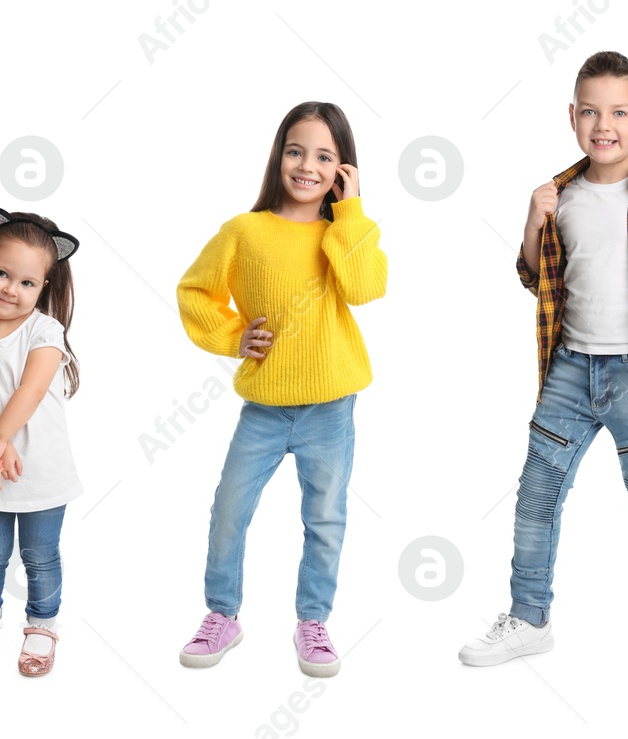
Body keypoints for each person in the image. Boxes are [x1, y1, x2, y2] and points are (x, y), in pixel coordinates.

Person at [458, 51, 628, 679]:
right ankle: (529, 618)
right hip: (571, 371)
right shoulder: (560, 194)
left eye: (619, 112)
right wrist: (532, 218)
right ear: (572, 117)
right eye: (591, 112)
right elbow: (534, 275)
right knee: (535, 496)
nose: (604, 125)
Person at [176, 101, 387, 678]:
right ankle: (223, 614)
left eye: (325, 156)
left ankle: (313, 621)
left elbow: (367, 288)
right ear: (278, 155)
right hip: (264, 410)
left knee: (325, 519)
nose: (307, 165)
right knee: (228, 509)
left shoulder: (344, 234)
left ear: (343, 169)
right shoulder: (244, 231)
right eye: (296, 150)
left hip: (330, 409)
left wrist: (352, 212)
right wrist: (232, 336)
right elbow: (195, 291)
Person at [0, 206, 84, 677]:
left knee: (40, 555)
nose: (11, 288)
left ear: (43, 286)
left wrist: (2, 438)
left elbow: (30, 389)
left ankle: (42, 626)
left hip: (42, 472)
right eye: (2, 273)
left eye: (27, 282)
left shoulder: (46, 331)